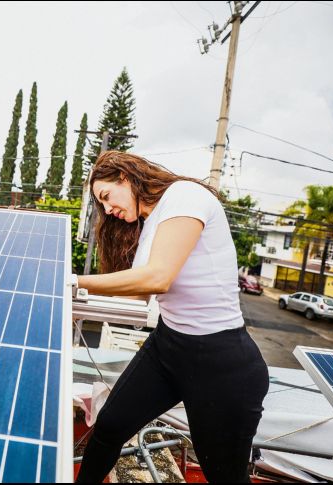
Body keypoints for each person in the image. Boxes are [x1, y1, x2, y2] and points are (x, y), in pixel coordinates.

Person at [75, 151, 269, 483]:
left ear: (126, 176)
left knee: (224, 475)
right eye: (101, 205)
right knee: (109, 427)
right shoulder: (151, 224)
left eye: (106, 197)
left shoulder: (185, 196)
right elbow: (140, 292)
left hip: (221, 363)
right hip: (168, 347)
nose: (107, 210)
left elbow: (158, 278)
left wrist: (73, 282)